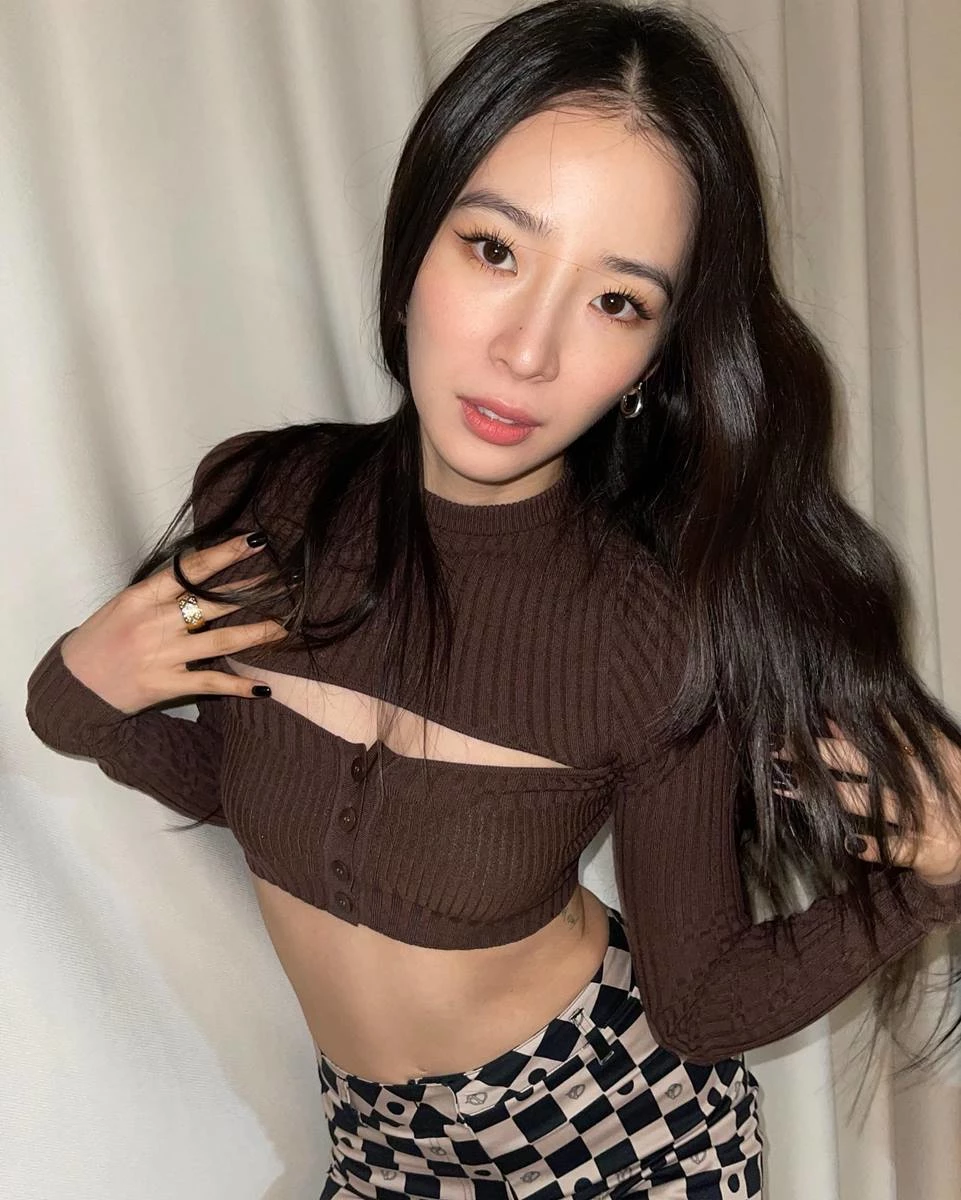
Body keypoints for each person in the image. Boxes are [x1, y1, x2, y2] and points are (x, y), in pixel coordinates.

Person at [24, 1, 961, 1197]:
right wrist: (77, 700)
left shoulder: (650, 635)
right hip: (375, 1142)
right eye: (494, 249)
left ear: (654, 362)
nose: (527, 351)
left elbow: (701, 1001)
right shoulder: (269, 503)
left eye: (615, 301)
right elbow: (249, 782)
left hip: (618, 1133)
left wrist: (926, 881)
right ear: (415, 242)